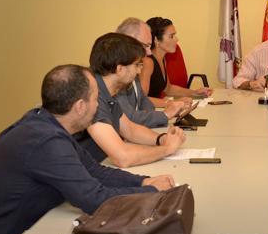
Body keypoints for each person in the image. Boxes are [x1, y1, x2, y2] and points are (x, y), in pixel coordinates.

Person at [0, 65, 175, 234]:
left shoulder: (45, 123)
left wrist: (143, 182)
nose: (98, 106)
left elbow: (95, 171)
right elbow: (94, 200)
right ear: (80, 106)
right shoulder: (46, 140)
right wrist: (150, 192)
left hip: (28, 228)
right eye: (96, 99)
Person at [76, 33, 186, 167]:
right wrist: (167, 149)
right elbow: (122, 158)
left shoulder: (105, 88)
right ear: (120, 69)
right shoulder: (92, 96)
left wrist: (162, 139)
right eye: (137, 65)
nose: (139, 71)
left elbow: (129, 130)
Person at [115, 17, 193, 127]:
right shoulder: (119, 77)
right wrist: (166, 112)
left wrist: (194, 93)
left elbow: (143, 101)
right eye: (145, 45)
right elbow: (131, 119)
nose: (148, 52)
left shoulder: (133, 70)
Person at [140, 17, 213, 108]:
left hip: (156, 110)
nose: (176, 39)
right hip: (145, 114)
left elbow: (168, 89)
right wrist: (171, 103)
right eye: (171, 36)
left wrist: (195, 93)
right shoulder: (148, 62)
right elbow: (141, 99)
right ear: (156, 40)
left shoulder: (162, 59)